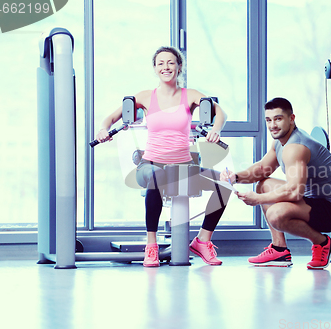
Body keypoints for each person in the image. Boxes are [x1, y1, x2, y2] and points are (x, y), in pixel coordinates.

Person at [96, 46, 231, 267]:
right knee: (158, 176)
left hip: (183, 166)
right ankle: (152, 246)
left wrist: (216, 129)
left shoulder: (191, 95)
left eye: (170, 63)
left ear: (179, 67)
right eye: (160, 63)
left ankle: (202, 240)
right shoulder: (146, 97)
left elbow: (221, 113)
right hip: (150, 166)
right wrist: (103, 130)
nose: (165, 67)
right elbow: (110, 118)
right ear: (155, 68)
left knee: (223, 184)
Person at [221, 97, 331, 269]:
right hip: (310, 201)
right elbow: (262, 169)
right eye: (269, 120)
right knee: (263, 184)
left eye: (278, 119)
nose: (273, 125)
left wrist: (257, 199)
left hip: (330, 210)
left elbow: (295, 192)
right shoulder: (280, 142)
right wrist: (235, 177)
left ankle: (322, 243)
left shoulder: (296, 147)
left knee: (275, 214)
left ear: (291, 119)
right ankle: (279, 250)